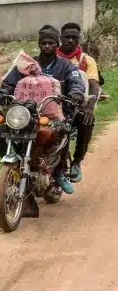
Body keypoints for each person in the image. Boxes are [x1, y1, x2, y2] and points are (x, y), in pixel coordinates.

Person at [0, 25, 85, 217]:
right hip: (26, 114)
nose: (47, 46)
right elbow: (9, 82)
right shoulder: (27, 65)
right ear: (39, 44)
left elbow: (76, 82)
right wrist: (1, 93)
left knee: (59, 133)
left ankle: (58, 170)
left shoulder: (66, 66)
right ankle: (16, 166)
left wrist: (75, 93)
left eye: (51, 43)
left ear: (56, 45)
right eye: (44, 43)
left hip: (56, 115)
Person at [58, 22, 101, 183]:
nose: (70, 40)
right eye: (66, 37)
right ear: (60, 38)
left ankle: (76, 162)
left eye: (74, 38)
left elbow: (93, 84)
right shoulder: (50, 56)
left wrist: (90, 107)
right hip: (51, 105)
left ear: (78, 39)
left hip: (75, 106)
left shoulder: (85, 60)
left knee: (86, 121)